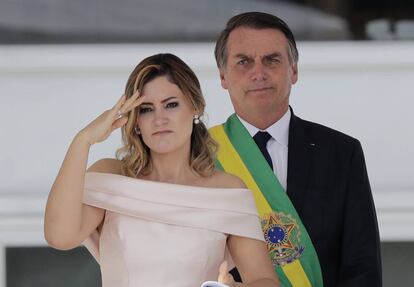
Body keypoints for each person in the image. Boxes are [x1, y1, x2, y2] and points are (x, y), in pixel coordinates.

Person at [44, 53, 280, 287]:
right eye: (146, 109)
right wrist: (83, 140)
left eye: (171, 105)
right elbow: (59, 237)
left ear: (195, 108)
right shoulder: (111, 177)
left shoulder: (227, 190)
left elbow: (264, 280)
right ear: (135, 120)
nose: (159, 119)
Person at [209, 12, 382, 287]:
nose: (258, 73)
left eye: (272, 60)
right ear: (223, 76)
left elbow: (362, 268)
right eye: (244, 62)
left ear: (294, 70)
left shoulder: (341, 153)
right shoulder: (201, 154)